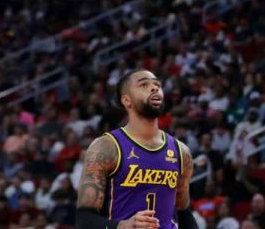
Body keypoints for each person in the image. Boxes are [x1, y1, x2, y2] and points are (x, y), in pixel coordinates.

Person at [75, 69, 197, 229]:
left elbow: (184, 213)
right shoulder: (106, 147)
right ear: (127, 100)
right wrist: (122, 226)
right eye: (144, 85)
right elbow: (84, 220)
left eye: (157, 85)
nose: (154, 88)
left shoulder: (182, 152)